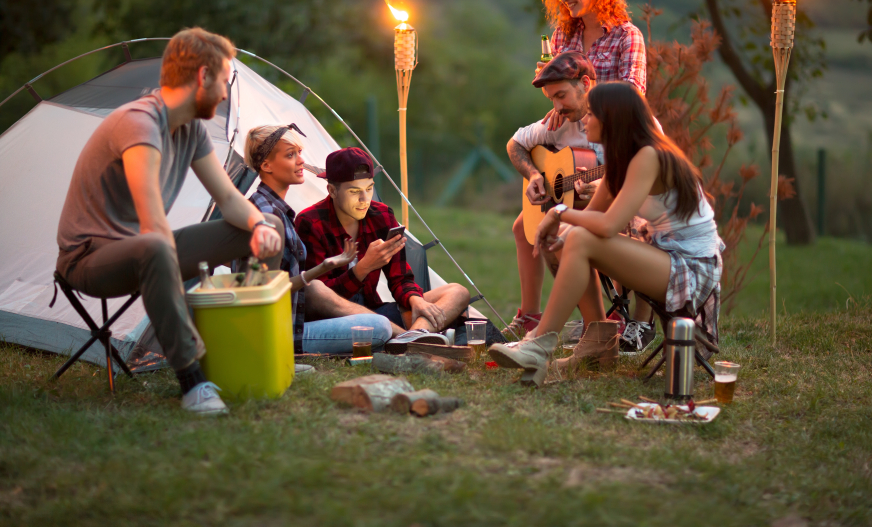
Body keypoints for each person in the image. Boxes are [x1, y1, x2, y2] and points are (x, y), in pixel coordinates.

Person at [56, 28, 284, 415]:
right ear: (202, 77)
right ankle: (192, 381)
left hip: (147, 249)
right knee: (156, 245)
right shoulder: (140, 123)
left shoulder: (191, 128)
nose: (226, 94)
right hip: (90, 259)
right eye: (224, 82)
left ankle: (252, 350)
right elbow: (152, 222)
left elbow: (229, 199)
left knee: (268, 223)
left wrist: (259, 227)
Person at [490, 82, 724, 387]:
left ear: (611, 118)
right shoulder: (624, 160)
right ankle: (598, 341)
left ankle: (538, 345)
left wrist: (556, 212)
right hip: (666, 257)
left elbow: (607, 226)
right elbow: (591, 218)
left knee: (577, 235)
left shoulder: (649, 156)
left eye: (591, 114)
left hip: (691, 268)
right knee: (568, 236)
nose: (583, 121)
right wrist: (557, 228)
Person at [295, 148, 495, 345]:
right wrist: (362, 268)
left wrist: (416, 300)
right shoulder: (310, 222)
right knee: (318, 289)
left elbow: (400, 278)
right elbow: (321, 299)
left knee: (457, 292)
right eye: (354, 191)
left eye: (369, 188)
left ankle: (414, 337)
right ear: (332, 190)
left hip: (376, 311)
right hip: (333, 320)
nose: (364, 200)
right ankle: (413, 340)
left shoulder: (381, 215)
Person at [243, 124, 392, 355]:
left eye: (300, 153)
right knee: (379, 327)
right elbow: (262, 290)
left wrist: (325, 267)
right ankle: (409, 340)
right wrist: (321, 271)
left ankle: (410, 337)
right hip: (277, 333)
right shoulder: (266, 216)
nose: (301, 161)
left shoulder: (275, 209)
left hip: (291, 323)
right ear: (266, 165)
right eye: (291, 155)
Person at [506, 52, 605, 339]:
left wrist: (604, 186)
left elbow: (649, 169)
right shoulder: (558, 121)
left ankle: (595, 327)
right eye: (552, 99)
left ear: (585, 83)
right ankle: (529, 315)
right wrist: (535, 176)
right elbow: (515, 145)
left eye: (561, 95)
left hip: (618, 209)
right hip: (574, 207)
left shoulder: (620, 119)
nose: (557, 106)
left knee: (561, 233)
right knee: (524, 226)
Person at [538, 0, 646, 132]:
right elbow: (561, 91)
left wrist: (582, 103)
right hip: (573, 130)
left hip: (613, 132)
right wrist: (548, 80)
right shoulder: (562, 36)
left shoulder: (627, 36)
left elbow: (633, 95)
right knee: (520, 143)